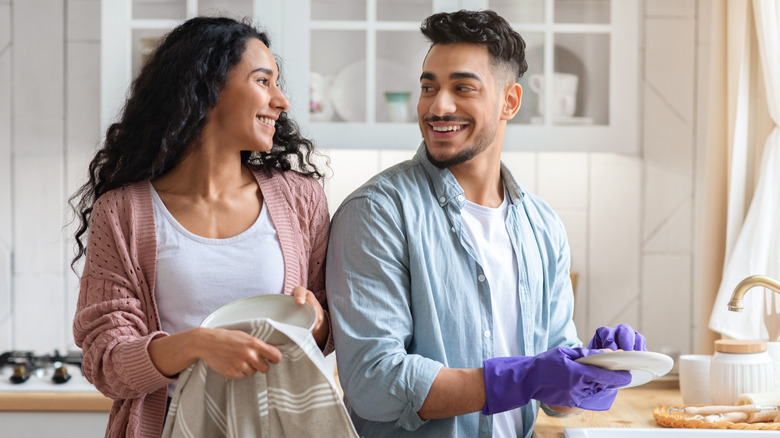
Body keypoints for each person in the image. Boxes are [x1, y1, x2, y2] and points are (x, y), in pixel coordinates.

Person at [326, 9, 647, 438]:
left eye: (462, 87)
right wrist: (523, 377)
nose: (438, 106)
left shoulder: (542, 227)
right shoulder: (378, 213)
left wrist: (596, 368)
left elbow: (557, 401)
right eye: (428, 87)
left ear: (509, 102)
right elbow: (374, 383)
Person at [70, 17, 332, 438]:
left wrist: (316, 320)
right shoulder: (122, 212)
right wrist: (196, 345)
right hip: (170, 425)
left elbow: (328, 326)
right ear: (205, 88)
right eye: (263, 81)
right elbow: (106, 360)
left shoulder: (301, 199)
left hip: (275, 424)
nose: (281, 100)